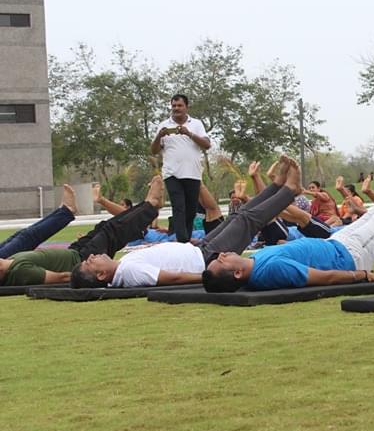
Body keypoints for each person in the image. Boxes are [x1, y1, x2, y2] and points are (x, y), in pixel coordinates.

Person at [201, 147, 374, 292]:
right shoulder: (266, 272)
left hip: (338, 243)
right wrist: (361, 275)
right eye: (221, 261)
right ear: (236, 272)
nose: (221, 255)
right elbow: (320, 278)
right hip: (350, 255)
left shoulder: (253, 263)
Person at [71, 156, 303, 288]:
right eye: (90, 264)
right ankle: (289, 190)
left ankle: (278, 186)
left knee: (238, 216)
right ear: (101, 276)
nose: (91, 257)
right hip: (205, 260)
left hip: (197, 251)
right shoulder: (129, 272)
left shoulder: (123, 267)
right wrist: (204, 277)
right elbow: (173, 278)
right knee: (246, 220)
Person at [2, 179, 163, 287]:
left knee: (104, 226)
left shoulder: (12, 263)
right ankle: (151, 204)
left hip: (73, 252)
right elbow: (63, 278)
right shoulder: (20, 272)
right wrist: (87, 274)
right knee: (112, 231)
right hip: (82, 261)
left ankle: (150, 206)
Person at [150, 94, 211, 243]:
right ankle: (182, 241)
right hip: (172, 173)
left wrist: (188, 133)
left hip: (192, 173)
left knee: (191, 209)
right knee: (178, 206)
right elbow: (153, 150)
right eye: (174, 106)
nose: (176, 109)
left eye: (179, 105)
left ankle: (186, 239)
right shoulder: (164, 124)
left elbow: (207, 144)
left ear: (186, 107)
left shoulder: (196, 124)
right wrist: (159, 136)